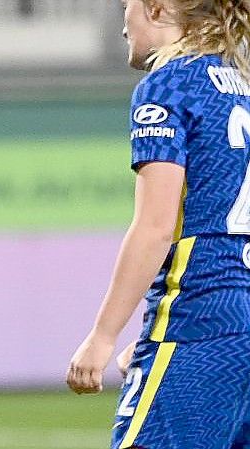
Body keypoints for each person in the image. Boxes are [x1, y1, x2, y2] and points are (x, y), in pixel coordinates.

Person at [67, 0, 250, 447]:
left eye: (126, 5)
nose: (122, 23)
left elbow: (155, 227)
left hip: (202, 316)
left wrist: (103, 336)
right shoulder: (243, 86)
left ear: (156, 8)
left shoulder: (169, 84)